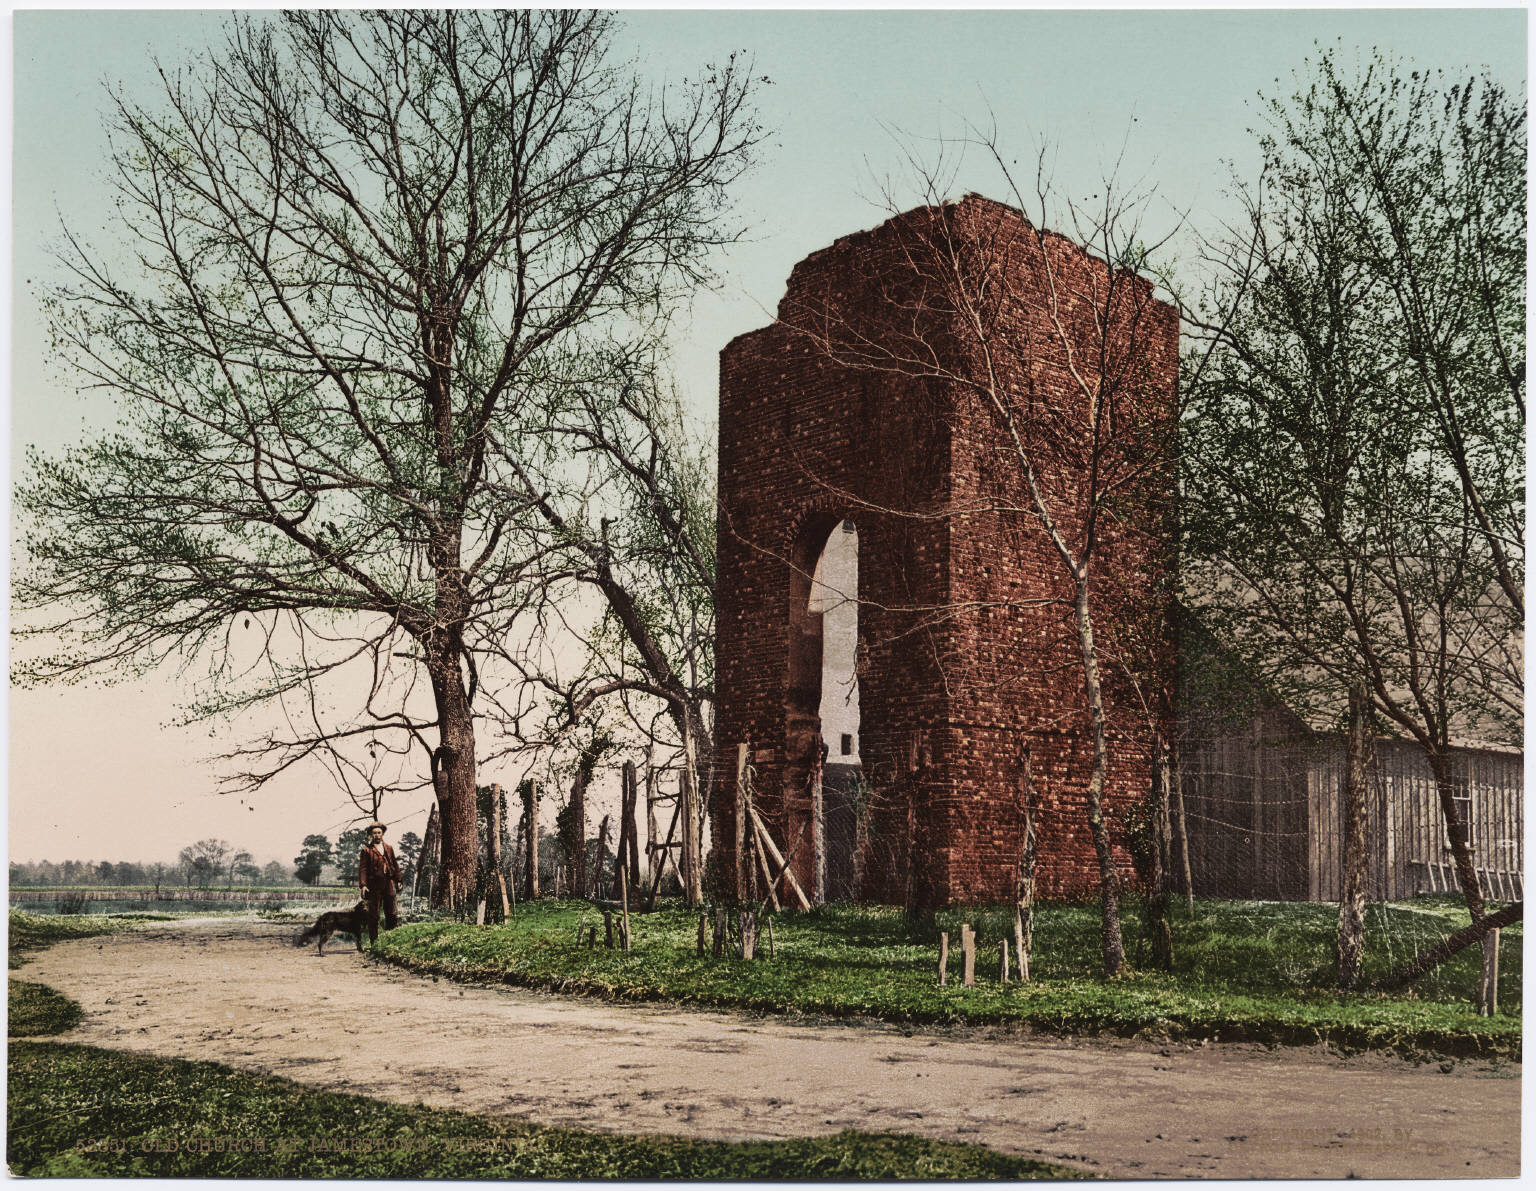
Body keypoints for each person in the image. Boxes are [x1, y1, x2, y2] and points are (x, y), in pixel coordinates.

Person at [358, 821, 402, 943]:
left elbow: (394, 864)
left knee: (392, 913)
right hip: (374, 885)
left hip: (389, 883)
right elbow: (363, 869)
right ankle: (374, 942)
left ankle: (390, 940)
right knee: (374, 915)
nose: (377, 835)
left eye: (379, 832)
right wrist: (363, 885)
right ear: (371, 835)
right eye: (374, 833)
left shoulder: (388, 848)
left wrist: (398, 879)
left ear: (382, 834)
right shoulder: (367, 850)